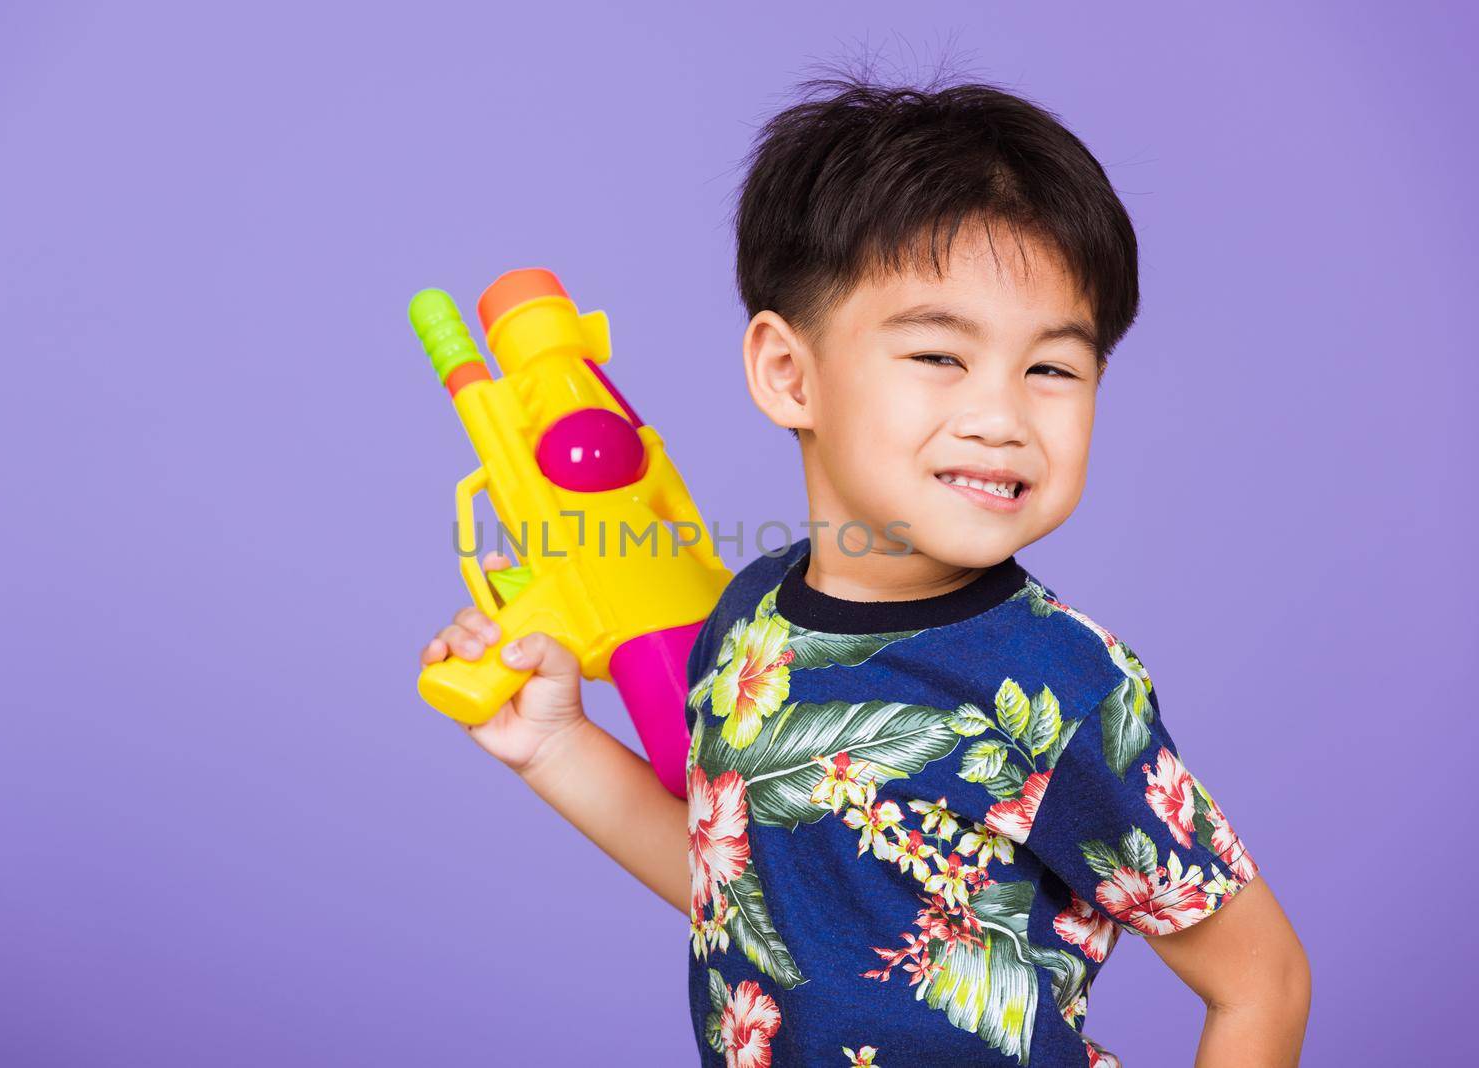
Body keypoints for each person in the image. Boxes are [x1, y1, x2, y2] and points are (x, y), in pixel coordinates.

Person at [420, 75, 1309, 1067]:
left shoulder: (1060, 687)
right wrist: (554, 748)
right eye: (938, 354)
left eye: (1051, 367)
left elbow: (1259, 981)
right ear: (788, 374)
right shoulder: (747, 625)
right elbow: (752, 900)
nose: (1001, 417)